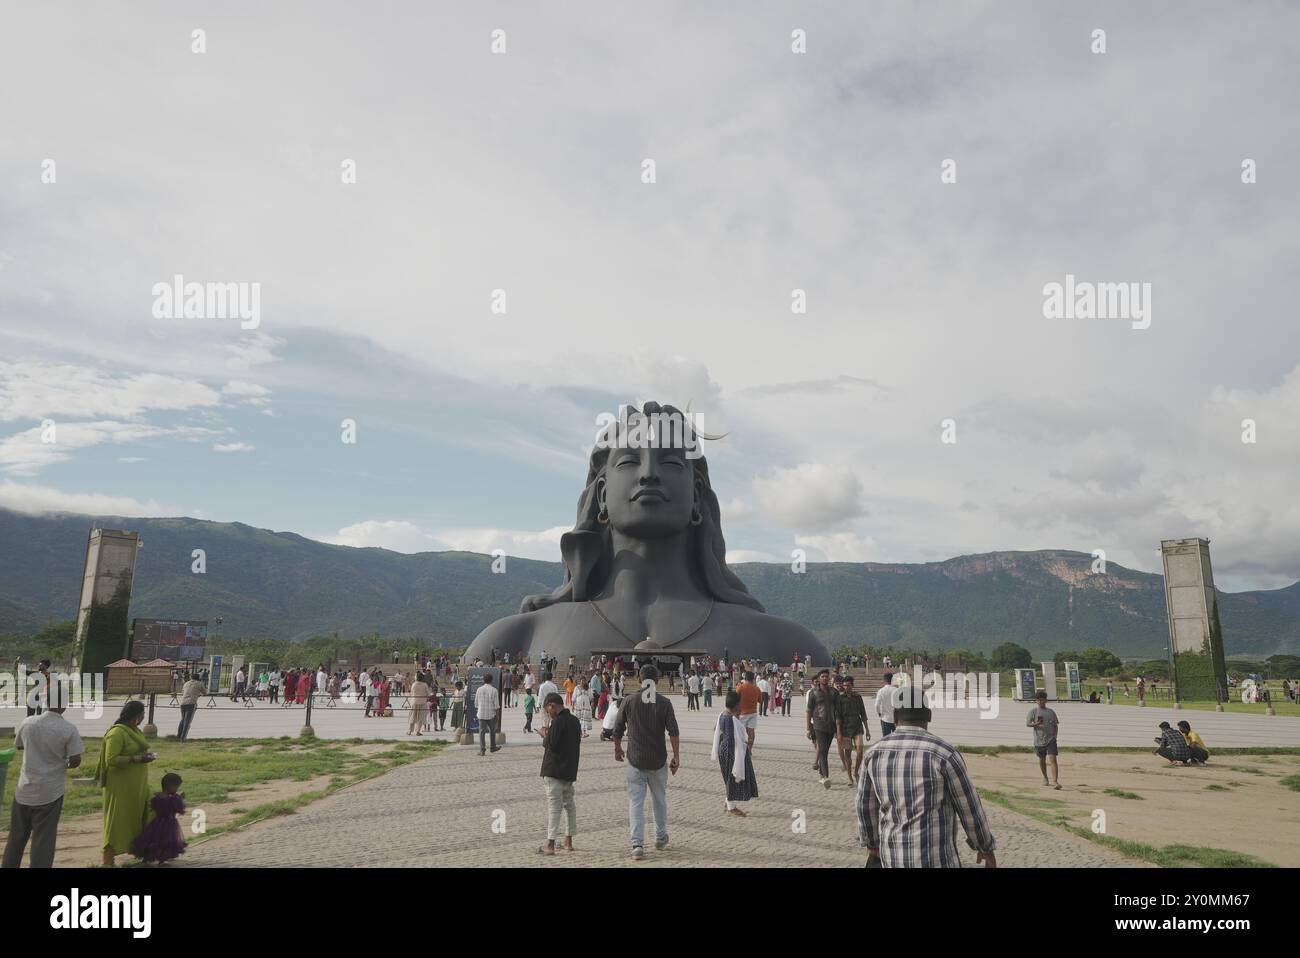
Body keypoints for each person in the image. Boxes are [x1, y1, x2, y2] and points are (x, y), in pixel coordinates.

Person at [857, 684, 997, 868]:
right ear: (929, 715)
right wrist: (984, 847)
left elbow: (865, 806)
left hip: (892, 859)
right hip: (937, 860)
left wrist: (872, 843)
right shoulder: (944, 754)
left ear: (896, 717)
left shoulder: (873, 754)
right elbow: (969, 807)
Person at [2, 682, 83, 869]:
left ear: (45, 701)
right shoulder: (68, 729)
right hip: (50, 792)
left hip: (24, 790)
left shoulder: (28, 722)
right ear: (65, 704)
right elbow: (76, 760)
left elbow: (19, 745)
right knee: (43, 841)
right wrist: (64, 764)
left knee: (16, 837)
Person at [612, 665, 681, 861]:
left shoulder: (629, 701)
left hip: (635, 760)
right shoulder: (665, 703)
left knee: (636, 803)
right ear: (657, 681)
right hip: (658, 761)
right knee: (659, 800)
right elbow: (674, 732)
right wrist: (676, 756)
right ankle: (660, 838)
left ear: (639, 680)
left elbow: (617, 730)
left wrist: (617, 749)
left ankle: (637, 845)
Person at [96, 701, 155, 867]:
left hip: (137, 785)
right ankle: (108, 860)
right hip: (120, 787)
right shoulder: (117, 733)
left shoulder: (134, 730)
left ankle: (140, 851)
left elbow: (137, 750)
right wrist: (136, 759)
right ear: (137, 716)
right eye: (142, 715)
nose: (143, 718)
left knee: (143, 815)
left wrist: (146, 756)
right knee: (117, 822)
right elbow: (111, 759)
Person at [537, 692, 581, 855]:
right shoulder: (575, 720)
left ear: (552, 706)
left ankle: (550, 843)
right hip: (569, 770)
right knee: (569, 806)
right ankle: (568, 841)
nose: (548, 713)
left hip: (554, 770)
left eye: (548, 710)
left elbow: (552, 745)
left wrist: (544, 736)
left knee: (554, 807)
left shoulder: (558, 721)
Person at [711, 690, 758, 816]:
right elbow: (734, 739)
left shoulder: (722, 714)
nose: (741, 706)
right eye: (739, 704)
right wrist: (743, 750)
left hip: (724, 749)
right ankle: (731, 807)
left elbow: (715, 729)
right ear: (736, 705)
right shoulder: (731, 719)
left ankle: (728, 801)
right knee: (732, 778)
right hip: (730, 750)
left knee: (728, 777)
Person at [131, 772, 187, 865]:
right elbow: (179, 809)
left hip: (157, 822)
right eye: (176, 787)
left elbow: (155, 807)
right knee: (166, 841)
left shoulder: (157, 797)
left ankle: (148, 858)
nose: (176, 789)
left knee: (153, 840)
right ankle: (162, 859)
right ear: (171, 786)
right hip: (170, 823)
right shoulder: (174, 798)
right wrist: (180, 799)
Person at [806, 669, 840, 789]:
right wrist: (808, 728)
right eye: (823, 676)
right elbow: (809, 711)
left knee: (825, 750)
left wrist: (838, 728)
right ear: (819, 678)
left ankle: (821, 773)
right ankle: (826, 777)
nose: (825, 678)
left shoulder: (834, 692)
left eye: (826, 676)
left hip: (831, 726)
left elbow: (837, 710)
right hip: (818, 725)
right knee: (823, 750)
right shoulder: (813, 693)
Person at [835, 674, 871, 785]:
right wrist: (839, 732)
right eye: (844, 685)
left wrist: (868, 730)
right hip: (845, 728)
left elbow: (863, 714)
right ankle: (850, 777)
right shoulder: (840, 698)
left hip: (857, 726)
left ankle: (856, 772)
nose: (846, 687)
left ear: (852, 685)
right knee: (848, 754)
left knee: (860, 749)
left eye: (848, 685)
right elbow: (838, 717)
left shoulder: (858, 697)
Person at [1026, 690, 1062, 788]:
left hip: (1051, 739)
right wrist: (1036, 724)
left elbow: (1056, 725)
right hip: (1039, 740)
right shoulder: (1033, 712)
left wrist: (1055, 736)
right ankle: (1045, 777)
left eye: (1042, 700)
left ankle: (1055, 781)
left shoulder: (1051, 712)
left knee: (1053, 759)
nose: (1040, 702)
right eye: (1038, 700)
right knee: (1042, 760)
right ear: (1036, 701)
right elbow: (1028, 724)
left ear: (1046, 700)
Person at [475, 674, 501, 755]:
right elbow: (496, 705)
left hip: (481, 713)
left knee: (481, 732)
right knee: (492, 731)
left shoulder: (479, 689)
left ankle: (482, 750)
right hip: (491, 714)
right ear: (491, 680)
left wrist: (479, 709)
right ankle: (493, 747)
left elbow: (476, 703)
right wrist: (497, 716)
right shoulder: (494, 690)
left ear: (484, 680)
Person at [177, 672, 206, 741]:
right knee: (187, 722)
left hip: (183, 703)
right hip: (191, 703)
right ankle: (183, 738)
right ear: (198, 678)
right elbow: (205, 692)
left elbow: (183, 692)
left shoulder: (186, 683)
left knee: (183, 720)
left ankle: (178, 736)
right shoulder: (199, 683)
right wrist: (198, 694)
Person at [736, 671, 761, 751]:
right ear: (753, 679)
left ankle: (741, 749)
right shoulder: (757, 688)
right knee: (751, 732)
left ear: (745, 678)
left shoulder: (740, 687)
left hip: (742, 713)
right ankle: (749, 750)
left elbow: (735, 699)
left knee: (740, 732)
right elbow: (760, 700)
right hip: (753, 713)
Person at [874, 672, 897, 736]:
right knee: (897, 738)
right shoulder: (896, 690)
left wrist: (879, 713)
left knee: (886, 738)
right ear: (892, 680)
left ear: (884, 680)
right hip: (895, 719)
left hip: (885, 718)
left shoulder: (881, 691)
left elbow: (876, 705)